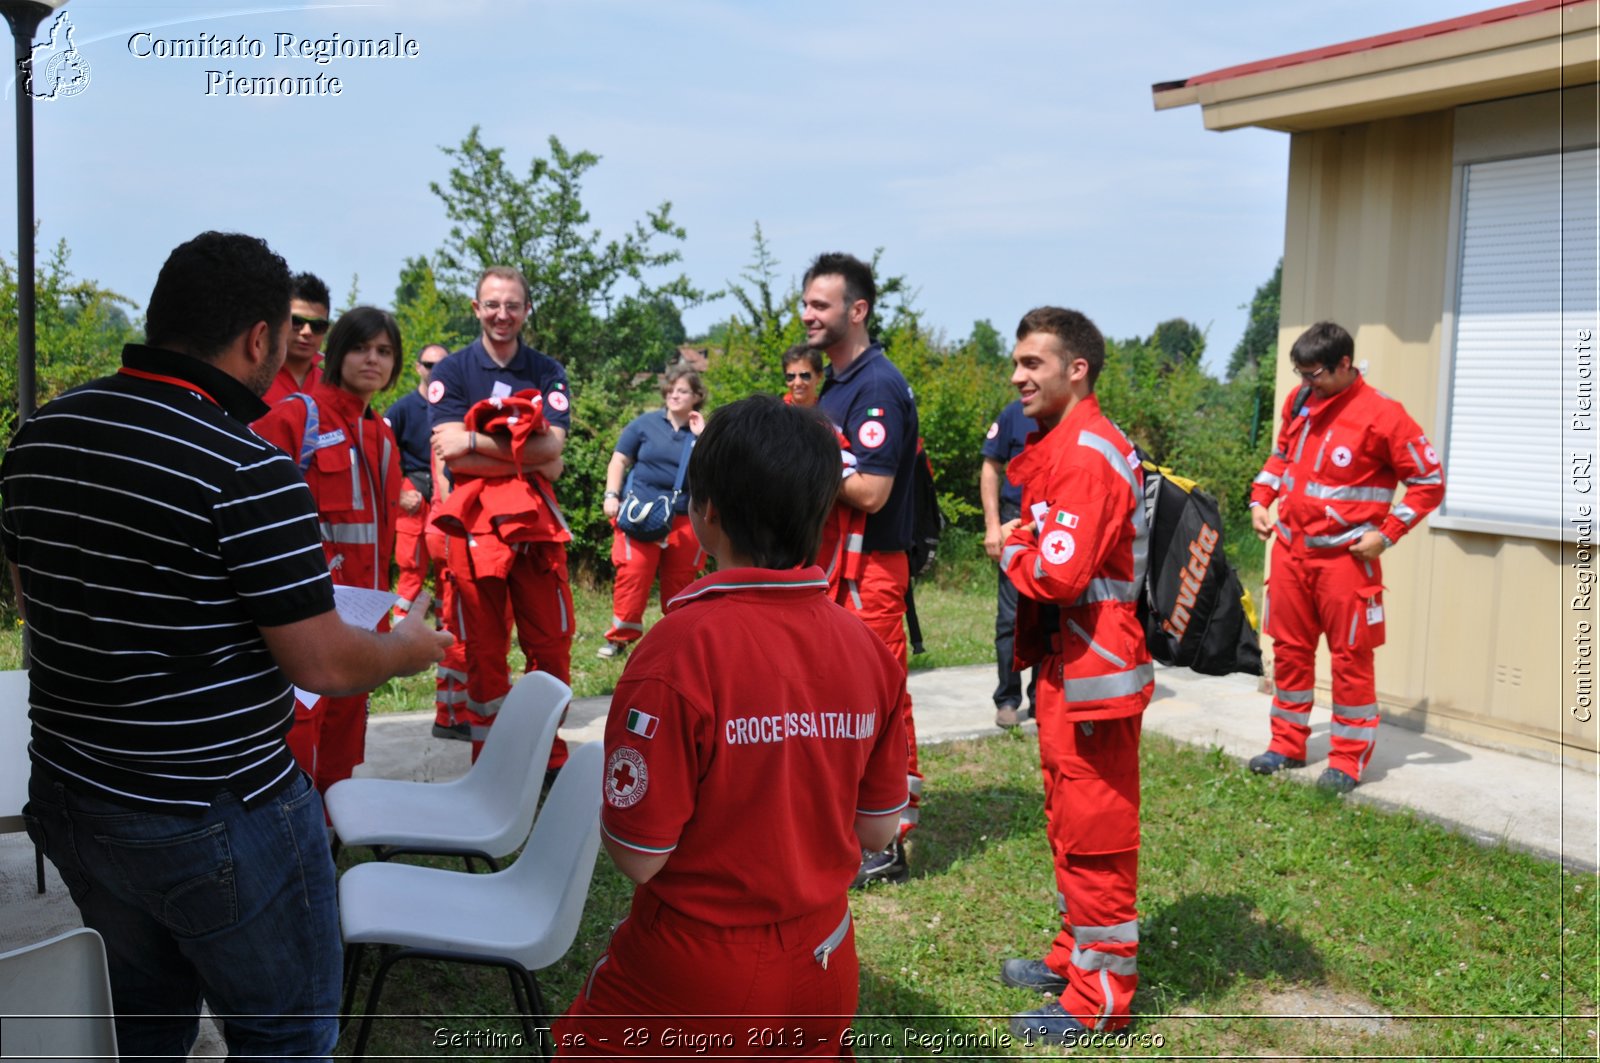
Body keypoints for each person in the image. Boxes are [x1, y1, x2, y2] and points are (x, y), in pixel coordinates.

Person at [1, 231, 451, 1061]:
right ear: (257, 339)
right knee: (285, 1034)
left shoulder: (41, 437)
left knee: (143, 1022)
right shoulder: (243, 466)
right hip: (215, 811)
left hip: (76, 793)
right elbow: (322, 662)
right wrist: (411, 649)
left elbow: (36, 600)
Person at [554, 395, 909, 1058]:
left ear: (706, 511)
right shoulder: (868, 648)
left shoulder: (676, 650)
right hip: (826, 957)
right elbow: (878, 828)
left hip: (694, 972)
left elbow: (639, 853)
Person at [996, 306, 1152, 1045]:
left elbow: (1056, 570)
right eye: (1017, 362)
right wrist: (1026, 537)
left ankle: (1101, 999)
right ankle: (1073, 957)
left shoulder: (1088, 452)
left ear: (1076, 368)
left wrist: (1010, 549)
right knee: (1069, 824)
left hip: (1095, 671)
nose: (1018, 375)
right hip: (1073, 665)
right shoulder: (1068, 444)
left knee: (1096, 833)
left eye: (1033, 363)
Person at [1245, 321, 1445, 792]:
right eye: (1300, 374)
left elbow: (1428, 483)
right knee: (1290, 653)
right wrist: (1259, 500)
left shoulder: (1384, 416)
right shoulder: (1300, 402)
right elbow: (1281, 458)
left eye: (1315, 374)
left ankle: (1348, 760)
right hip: (1290, 554)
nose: (1305, 384)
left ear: (1344, 365)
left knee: (1350, 660)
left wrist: (1387, 535)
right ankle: (1286, 745)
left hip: (1345, 561)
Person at [804, 251, 923, 888]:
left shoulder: (875, 385)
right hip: (840, 566)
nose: (808, 315)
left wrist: (810, 454)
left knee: (878, 696)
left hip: (871, 568)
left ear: (858, 310)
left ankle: (890, 837)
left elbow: (872, 491)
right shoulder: (838, 383)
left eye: (821, 305)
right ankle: (856, 820)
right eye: (806, 303)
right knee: (839, 697)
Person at [254, 306, 406, 793]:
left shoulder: (381, 434)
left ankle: (332, 846)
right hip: (310, 622)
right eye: (361, 348)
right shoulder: (300, 417)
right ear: (337, 353)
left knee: (343, 745)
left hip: (364, 620)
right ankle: (300, 850)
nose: (372, 360)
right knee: (300, 742)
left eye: (384, 351)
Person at [428, 265, 573, 769]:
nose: (502, 314)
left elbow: (554, 449)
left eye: (512, 304)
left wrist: (473, 440)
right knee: (483, 652)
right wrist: (522, 452)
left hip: (536, 527)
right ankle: (490, 765)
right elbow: (452, 457)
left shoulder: (546, 371)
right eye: (492, 304)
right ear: (476, 308)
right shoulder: (452, 373)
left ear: (527, 309)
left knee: (550, 647)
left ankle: (547, 759)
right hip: (474, 533)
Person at [597, 365, 707, 659]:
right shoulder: (644, 424)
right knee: (633, 575)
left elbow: (715, 471)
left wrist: (704, 435)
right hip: (641, 514)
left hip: (685, 518)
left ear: (697, 396)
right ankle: (620, 639)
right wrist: (611, 494)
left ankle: (679, 640)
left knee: (682, 583)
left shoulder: (702, 432)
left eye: (682, 390)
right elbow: (619, 460)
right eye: (670, 390)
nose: (674, 395)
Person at [982, 397, 1039, 729]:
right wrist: (992, 526)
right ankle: (1007, 698)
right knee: (1010, 618)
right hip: (1014, 523)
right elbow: (991, 466)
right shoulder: (1013, 413)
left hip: (1055, 524)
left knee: (1051, 616)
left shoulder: (1067, 415)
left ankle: (1043, 697)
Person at [386, 342, 447, 623]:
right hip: (413, 492)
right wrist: (398, 492)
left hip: (447, 493)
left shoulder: (455, 406)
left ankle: (447, 625)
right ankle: (401, 624)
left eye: (442, 364)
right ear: (418, 367)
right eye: (429, 365)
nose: (435, 370)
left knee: (448, 563)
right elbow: (381, 455)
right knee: (410, 564)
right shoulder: (402, 409)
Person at [259, 271, 330, 407]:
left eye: (318, 325)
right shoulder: (254, 376)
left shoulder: (331, 387)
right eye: (297, 321)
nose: (306, 332)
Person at [781, 342, 822, 407]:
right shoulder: (776, 414)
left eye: (805, 376)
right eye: (791, 376)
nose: (798, 383)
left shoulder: (830, 413)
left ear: (819, 377)